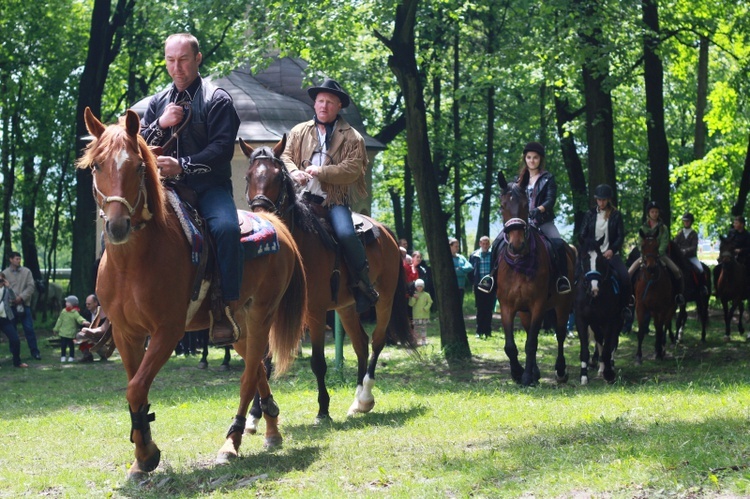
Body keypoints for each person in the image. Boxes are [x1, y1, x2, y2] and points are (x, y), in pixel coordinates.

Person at [139, 33, 242, 346]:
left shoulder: (217, 99)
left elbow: (222, 150)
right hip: (166, 189)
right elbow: (138, 145)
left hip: (209, 188)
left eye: (183, 59)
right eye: (171, 60)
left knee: (225, 229)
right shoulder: (157, 103)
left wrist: (182, 164)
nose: (177, 67)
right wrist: (161, 121)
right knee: (122, 225)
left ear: (197, 59)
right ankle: (108, 313)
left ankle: (224, 307)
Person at [281, 78, 378, 313]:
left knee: (345, 233)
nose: (324, 106)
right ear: (314, 105)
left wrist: (321, 171)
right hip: (302, 199)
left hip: (333, 202)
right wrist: (294, 173)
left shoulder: (353, 137)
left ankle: (362, 283)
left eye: (330, 102)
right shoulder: (298, 131)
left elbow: (352, 170)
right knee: (277, 232)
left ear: (338, 107)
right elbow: (285, 156)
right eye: (320, 101)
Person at [478, 142, 571, 294]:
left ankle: (561, 279)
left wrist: (538, 210)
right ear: (525, 159)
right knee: (496, 244)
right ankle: (491, 278)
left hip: (542, 220)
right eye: (529, 157)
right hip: (520, 222)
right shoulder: (517, 180)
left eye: (535, 157)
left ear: (540, 159)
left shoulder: (548, 178)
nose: (532, 160)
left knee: (558, 243)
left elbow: (550, 199)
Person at [578, 184, 633, 320]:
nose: (601, 202)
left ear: (608, 199)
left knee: (625, 277)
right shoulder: (589, 214)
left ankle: (625, 307)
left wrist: (612, 250)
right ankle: (572, 308)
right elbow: (583, 233)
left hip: (610, 254)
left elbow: (620, 236)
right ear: (596, 200)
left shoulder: (616, 215)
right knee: (575, 275)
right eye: (599, 199)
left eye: (604, 200)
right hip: (592, 255)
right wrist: (588, 247)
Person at [628, 201, 685, 305]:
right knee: (630, 272)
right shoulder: (643, 228)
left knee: (676, 271)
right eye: (652, 212)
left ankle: (678, 295)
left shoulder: (663, 228)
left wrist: (658, 253)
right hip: (645, 256)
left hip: (660, 256)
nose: (654, 214)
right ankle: (631, 296)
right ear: (648, 213)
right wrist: (644, 253)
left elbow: (664, 242)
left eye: (656, 212)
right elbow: (641, 242)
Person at [2, 251, 41, 360]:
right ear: (11, 259)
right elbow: (4, 288)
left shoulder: (26, 272)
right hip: (10, 306)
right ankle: (15, 354)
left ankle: (35, 352)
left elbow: (31, 286)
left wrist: (21, 297)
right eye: (16, 259)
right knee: (12, 330)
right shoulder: (5, 273)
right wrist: (13, 298)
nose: (18, 261)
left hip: (24, 304)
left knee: (29, 329)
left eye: (19, 259)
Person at [673, 212, 709, 296]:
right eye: (685, 221)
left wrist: (685, 251)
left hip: (691, 257)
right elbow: (675, 244)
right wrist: (678, 251)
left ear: (691, 222)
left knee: (700, 269)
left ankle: (702, 287)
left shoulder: (694, 234)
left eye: (688, 221)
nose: (686, 223)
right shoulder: (679, 233)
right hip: (680, 257)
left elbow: (694, 247)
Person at [470, 236, 497, 338]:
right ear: (480, 244)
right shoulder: (474, 255)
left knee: (489, 308)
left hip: (490, 285)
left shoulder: (493, 255)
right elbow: (471, 271)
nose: (485, 245)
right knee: (480, 308)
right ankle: (479, 331)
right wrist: (474, 282)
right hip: (479, 285)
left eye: (487, 243)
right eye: (483, 243)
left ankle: (488, 331)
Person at [713, 215, 750, 290]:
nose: (734, 225)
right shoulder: (731, 232)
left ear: (742, 224)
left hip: (743, 257)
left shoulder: (747, 235)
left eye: (736, 223)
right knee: (716, 269)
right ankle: (717, 289)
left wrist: (741, 250)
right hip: (731, 256)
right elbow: (727, 242)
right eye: (734, 223)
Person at [0, 272, 28, 368]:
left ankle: (17, 362)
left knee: (15, 339)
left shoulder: (7, 290)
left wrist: (9, 287)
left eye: (1, 280)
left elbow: (13, 299)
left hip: (5, 318)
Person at [75, 294, 112, 362]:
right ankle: (87, 356)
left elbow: (106, 329)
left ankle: (104, 355)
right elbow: (82, 327)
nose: (87, 306)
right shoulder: (85, 313)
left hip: (101, 338)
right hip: (89, 336)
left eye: (89, 304)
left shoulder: (103, 313)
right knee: (79, 336)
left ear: (95, 303)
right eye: (86, 304)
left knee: (94, 340)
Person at [53, 295, 89, 363]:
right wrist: (56, 329)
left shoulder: (75, 312)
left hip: (71, 334)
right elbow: (59, 320)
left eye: (68, 302)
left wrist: (83, 321)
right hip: (63, 333)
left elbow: (79, 318)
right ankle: (63, 356)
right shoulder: (63, 311)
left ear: (72, 304)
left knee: (71, 346)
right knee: (63, 346)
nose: (66, 303)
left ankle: (71, 357)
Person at [450, 238, 474, 307]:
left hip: (461, 287)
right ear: (450, 246)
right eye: (456, 246)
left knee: (459, 306)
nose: (458, 248)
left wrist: (460, 269)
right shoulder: (447, 258)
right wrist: (463, 272)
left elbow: (470, 267)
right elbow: (452, 272)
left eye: (458, 246)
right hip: (451, 288)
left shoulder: (461, 257)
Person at [408, 279, 432, 346]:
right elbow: (410, 304)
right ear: (415, 287)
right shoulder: (414, 295)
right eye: (418, 286)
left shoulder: (426, 295)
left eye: (421, 286)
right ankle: (416, 341)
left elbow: (430, 302)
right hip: (416, 315)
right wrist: (414, 298)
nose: (419, 288)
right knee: (416, 329)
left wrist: (426, 308)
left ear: (423, 287)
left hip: (424, 315)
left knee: (423, 329)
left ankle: (423, 341)